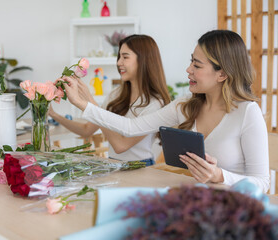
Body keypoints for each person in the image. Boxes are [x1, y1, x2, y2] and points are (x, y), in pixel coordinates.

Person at [63, 30, 270, 192]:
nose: (189, 69)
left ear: (222, 74)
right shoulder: (184, 106)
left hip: (235, 212)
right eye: (191, 61)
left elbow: (262, 183)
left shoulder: (247, 112)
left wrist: (219, 175)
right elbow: (130, 127)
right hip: (194, 202)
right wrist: (83, 103)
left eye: (197, 65)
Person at [49, 34, 171, 166]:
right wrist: (54, 115)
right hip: (114, 165)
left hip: (140, 167)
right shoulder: (116, 94)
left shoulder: (155, 104)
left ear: (144, 60)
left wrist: (90, 102)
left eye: (125, 57)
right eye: (119, 57)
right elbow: (86, 130)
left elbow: (121, 145)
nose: (119, 63)